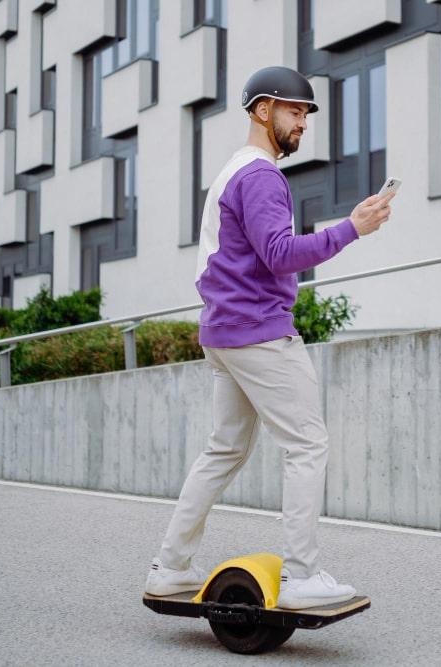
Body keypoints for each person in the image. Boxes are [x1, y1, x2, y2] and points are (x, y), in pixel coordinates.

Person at [144, 66, 395, 609]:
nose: (303, 121)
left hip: (225, 330)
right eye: (294, 110)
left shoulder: (234, 172)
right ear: (263, 110)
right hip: (257, 332)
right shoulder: (259, 176)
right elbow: (279, 254)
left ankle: (170, 566)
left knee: (225, 449)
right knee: (307, 444)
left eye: (305, 113)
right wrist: (352, 228)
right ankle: (302, 575)